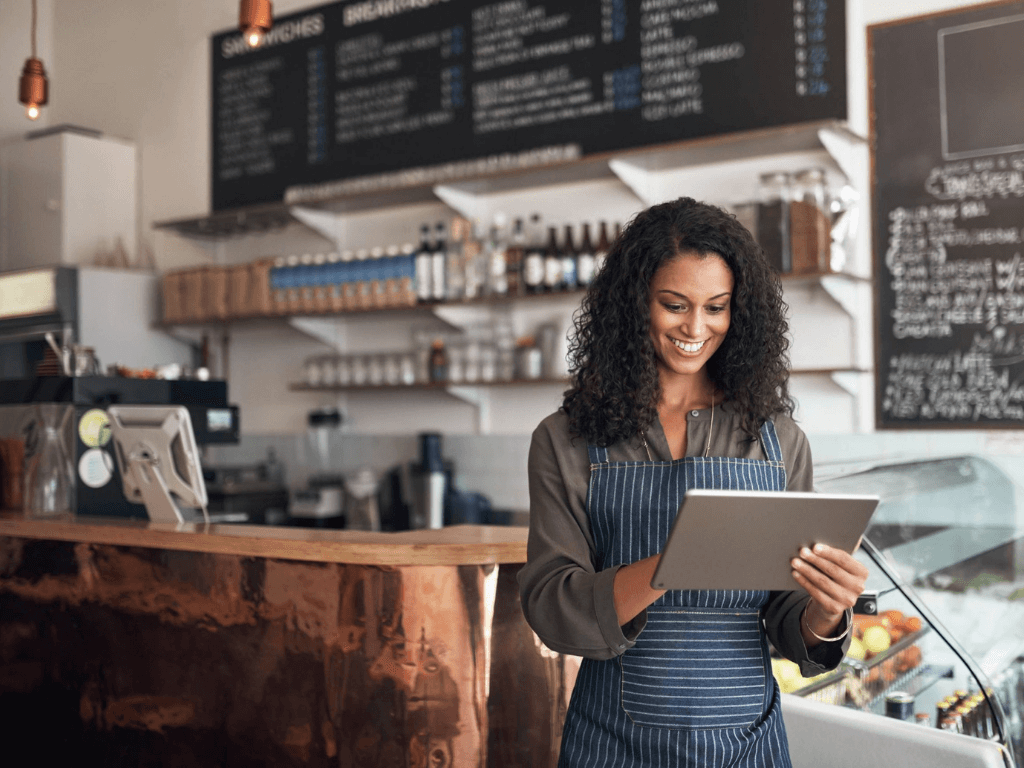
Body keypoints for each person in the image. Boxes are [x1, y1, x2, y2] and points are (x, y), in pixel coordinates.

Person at [518, 197, 868, 767]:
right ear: (635, 306)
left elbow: (789, 618)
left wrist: (827, 611)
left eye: (717, 307)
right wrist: (675, 562)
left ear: (740, 312)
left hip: (746, 746)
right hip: (610, 744)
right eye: (674, 305)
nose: (696, 328)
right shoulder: (566, 439)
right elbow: (552, 604)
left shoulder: (777, 439)